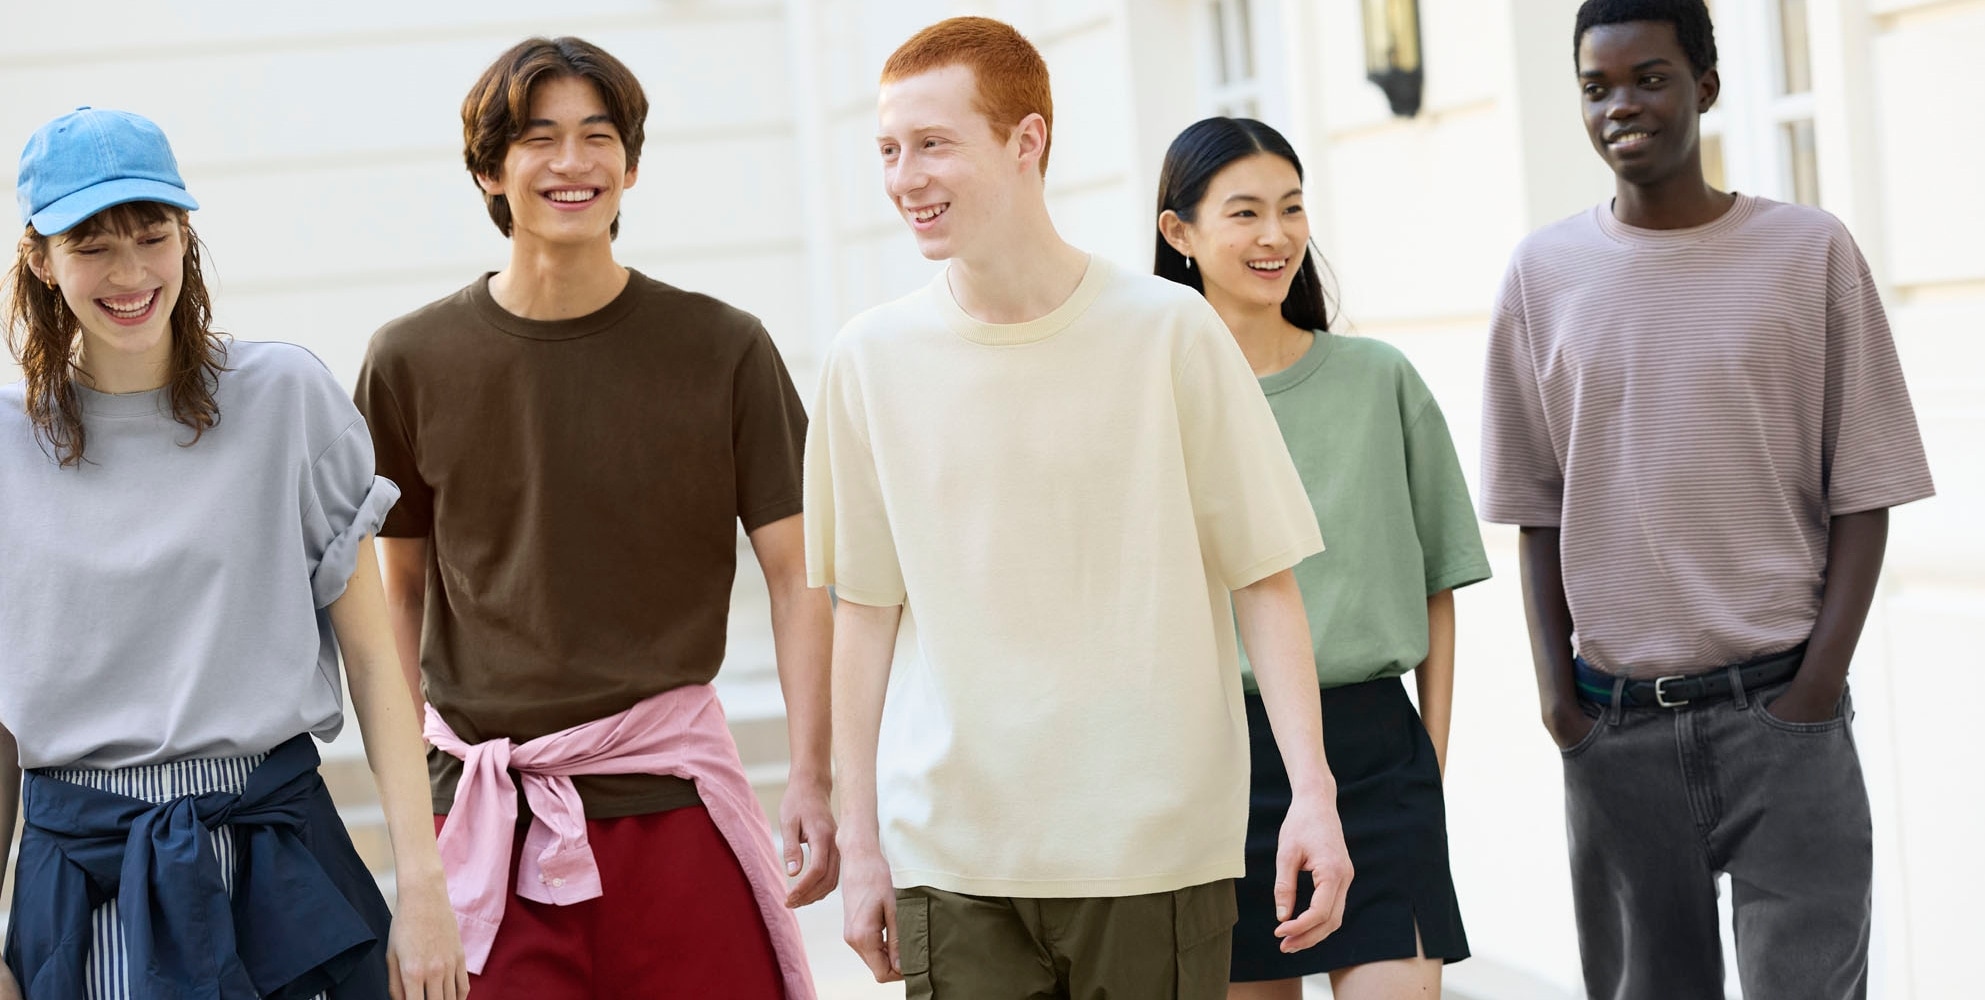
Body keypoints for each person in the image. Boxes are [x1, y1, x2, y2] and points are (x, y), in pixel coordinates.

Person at [806, 17, 1355, 999]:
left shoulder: (1168, 333)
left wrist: (1309, 792)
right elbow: (863, 610)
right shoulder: (867, 359)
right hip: (955, 858)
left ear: (1027, 142)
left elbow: (1263, 577)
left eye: (933, 144)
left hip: (1150, 851)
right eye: (888, 150)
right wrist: (862, 841)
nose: (904, 177)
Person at [351, 36, 831, 999]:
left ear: (632, 163)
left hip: (675, 809)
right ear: (490, 167)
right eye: (539, 139)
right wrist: (417, 843)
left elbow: (800, 575)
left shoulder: (724, 349)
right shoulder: (409, 360)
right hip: (490, 819)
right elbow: (394, 602)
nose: (572, 164)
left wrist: (814, 777)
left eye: (596, 137)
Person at [1479, 3, 1934, 997]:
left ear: (1706, 86)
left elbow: (1864, 489)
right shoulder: (1539, 276)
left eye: (1648, 78)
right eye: (1594, 90)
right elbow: (1535, 511)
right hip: (1617, 730)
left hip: (1782, 725)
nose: (1619, 108)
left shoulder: (1807, 254)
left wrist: (1811, 691)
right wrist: (1560, 705)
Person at [0, 107, 465, 1000]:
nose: (131, 272)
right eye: (92, 245)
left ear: (187, 237)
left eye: (152, 234)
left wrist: (424, 886)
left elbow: (374, 663)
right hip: (83, 883)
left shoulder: (285, 399)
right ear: (39, 258)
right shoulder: (7, 444)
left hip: (272, 860)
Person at [1156, 116, 1489, 1000]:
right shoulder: (1156, 407)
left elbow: (1437, 590)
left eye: (1292, 209)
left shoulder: (1382, 381)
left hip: (1380, 766)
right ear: (1178, 233)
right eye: (1245, 213)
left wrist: (1433, 764)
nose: (1275, 236)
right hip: (1219, 771)